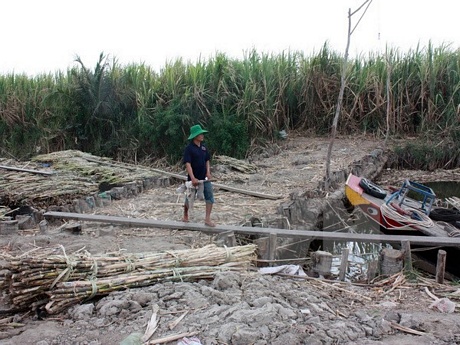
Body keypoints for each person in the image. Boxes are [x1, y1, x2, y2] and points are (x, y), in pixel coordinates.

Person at [182, 124, 216, 227]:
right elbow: (188, 164)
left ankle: (207, 219)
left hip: (204, 179)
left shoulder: (204, 148)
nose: (202, 135)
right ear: (195, 136)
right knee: (189, 198)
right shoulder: (189, 149)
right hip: (194, 178)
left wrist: (208, 172)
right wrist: (192, 177)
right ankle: (185, 213)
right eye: (200, 134)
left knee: (210, 197)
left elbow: (207, 160)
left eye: (202, 134)